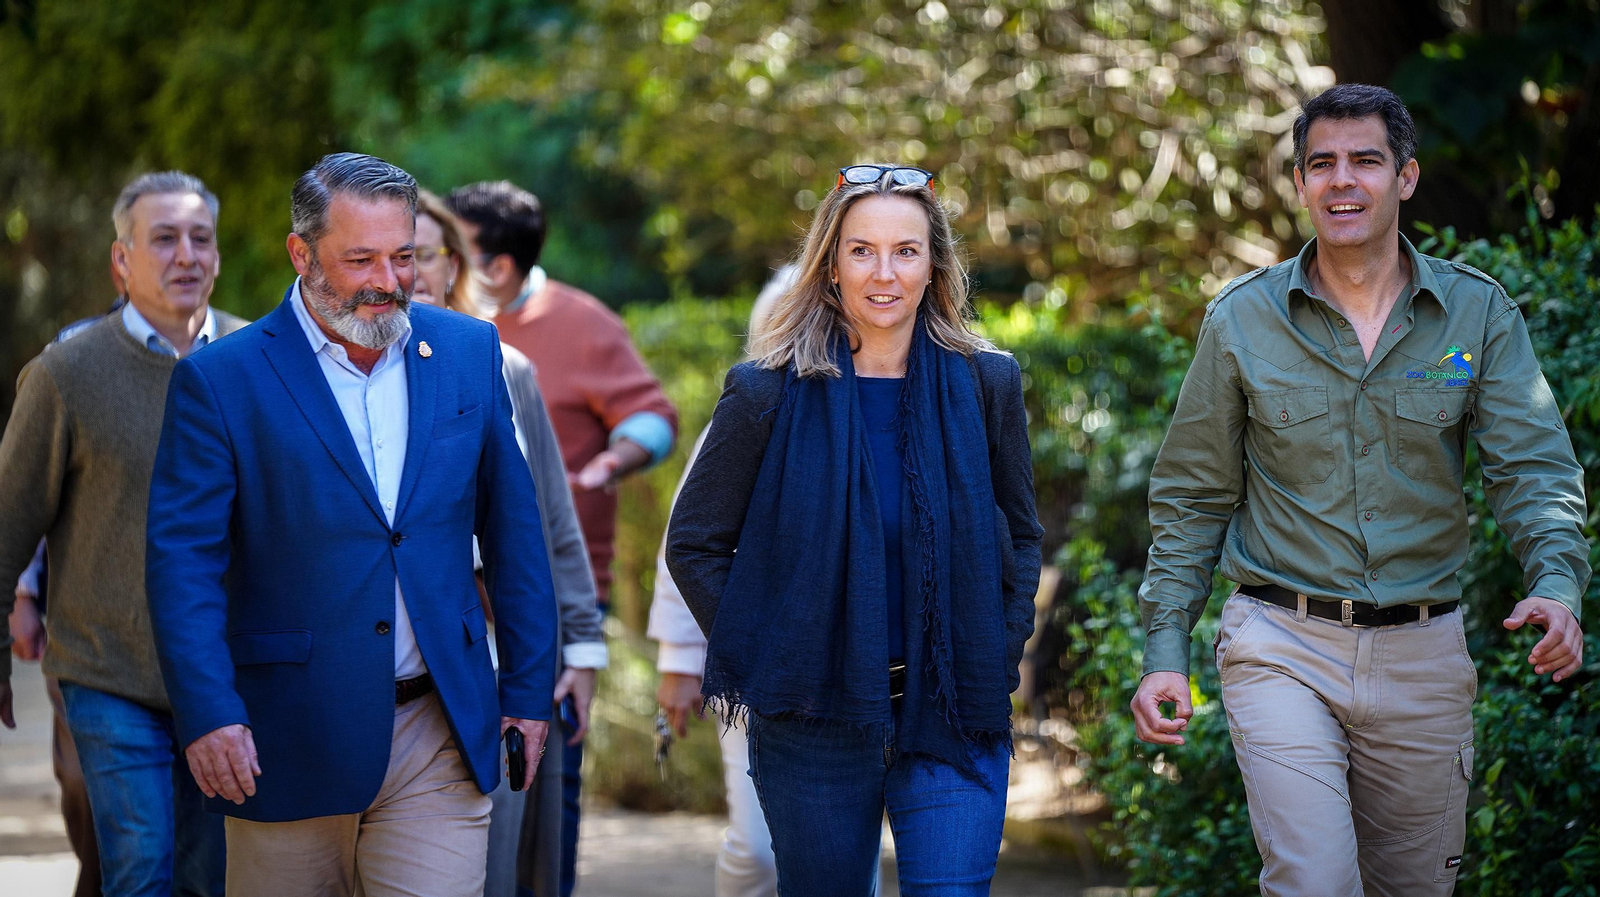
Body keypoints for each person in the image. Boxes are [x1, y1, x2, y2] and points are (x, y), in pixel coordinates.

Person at [1131, 83, 1590, 897]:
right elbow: (1193, 496)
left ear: (1406, 178)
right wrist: (1165, 651)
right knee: (1313, 882)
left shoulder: (1475, 315)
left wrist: (1557, 583)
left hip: (1425, 652)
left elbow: (1532, 467)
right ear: (1302, 183)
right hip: (1281, 642)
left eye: (1365, 161)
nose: (1343, 181)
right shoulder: (1241, 320)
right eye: (1322, 164)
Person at [144, 153, 559, 897]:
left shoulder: (468, 352)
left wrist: (528, 692)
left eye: (402, 256)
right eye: (359, 258)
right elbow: (183, 566)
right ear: (301, 254)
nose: (387, 280)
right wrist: (209, 711)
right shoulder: (221, 379)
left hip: (439, 728)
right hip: (285, 737)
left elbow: (515, 535)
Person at [665, 164, 1044, 896]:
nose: (885, 272)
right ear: (831, 265)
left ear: (934, 264)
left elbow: (1020, 534)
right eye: (862, 250)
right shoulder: (766, 390)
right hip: (813, 720)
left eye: (906, 250)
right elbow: (695, 542)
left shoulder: (985, 383)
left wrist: (998, 647)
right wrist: (775, 645)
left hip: (954, 706)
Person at [0, 170, 243, 897]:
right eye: (163, 238)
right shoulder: (67, 372)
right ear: (121, 261)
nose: (186, 255)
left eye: (201, 238)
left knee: (209, 879)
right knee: (141, 870)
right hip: (106, 673)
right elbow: (9, 519)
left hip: (222, 677)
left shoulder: (256, 361)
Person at [447, 180, 678, 896]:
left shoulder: (580, 323)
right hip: (454, 607)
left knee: (548, 783)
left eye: (452, 248)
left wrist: (613, 458)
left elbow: (654, 415)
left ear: (498, 267)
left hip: (555, 594)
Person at [412, 190, 606, 897]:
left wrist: (579, 646)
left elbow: (550, 522)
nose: (407, 270)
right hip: (389, 660)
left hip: (489, 653)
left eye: (423, 253)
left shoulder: (502, 366)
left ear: (453, 265)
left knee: (495, 862)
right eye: (390, 253)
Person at [648, 267, 793, 897]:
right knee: (758, 848)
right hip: (749, 664)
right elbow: (685, 546)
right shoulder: (744, 415)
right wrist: (680, 662)